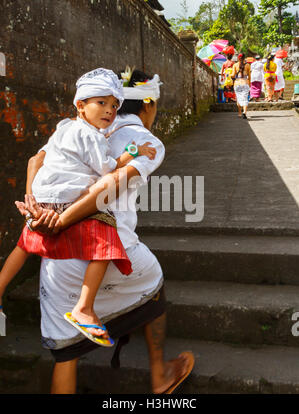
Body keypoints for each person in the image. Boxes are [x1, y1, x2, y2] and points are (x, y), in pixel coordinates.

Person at [12, 68, 195, 394]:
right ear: (148, 105)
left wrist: (37, 212)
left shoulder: (72, 127)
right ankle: (160, 375)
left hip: (57, 255)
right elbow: (111, 183)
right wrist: (66, 217)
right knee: (153, 282)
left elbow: (33, 163)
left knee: (66, 354)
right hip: (107, 247)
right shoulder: (146, 141)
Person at [0, 68, 157, 346]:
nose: (109, 110)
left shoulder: (63, 127)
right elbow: (108, 169)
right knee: (108, 241)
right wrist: (135, 152)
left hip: (41, 197)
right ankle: (84, 307)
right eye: (101, 103)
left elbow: (35, 161)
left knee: (24, 246)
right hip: (65, 201)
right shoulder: (93, 137)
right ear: (80, 105)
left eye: (113, 105)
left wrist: (31, 199)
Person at [231, 53, 251, 119]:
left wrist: (230, 75)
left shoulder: (235, 65)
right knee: (245, 98)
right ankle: (244, 112)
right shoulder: (248, 65)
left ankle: (239, 113)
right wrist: (249, 84)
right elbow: (249, 76)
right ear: (244, 58)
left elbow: (233, 75)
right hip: (245, 82)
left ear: (238, 58)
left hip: (237, 83)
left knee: (239, 98)